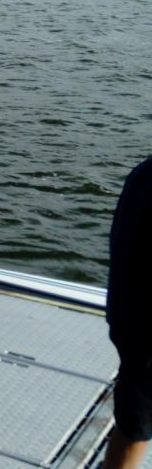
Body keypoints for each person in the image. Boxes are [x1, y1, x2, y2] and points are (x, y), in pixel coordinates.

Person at [102, 158, 152, 469]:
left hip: (132, 325)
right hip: (145, 335)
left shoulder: (144, 174)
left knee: (135, 423)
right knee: (136, 425)